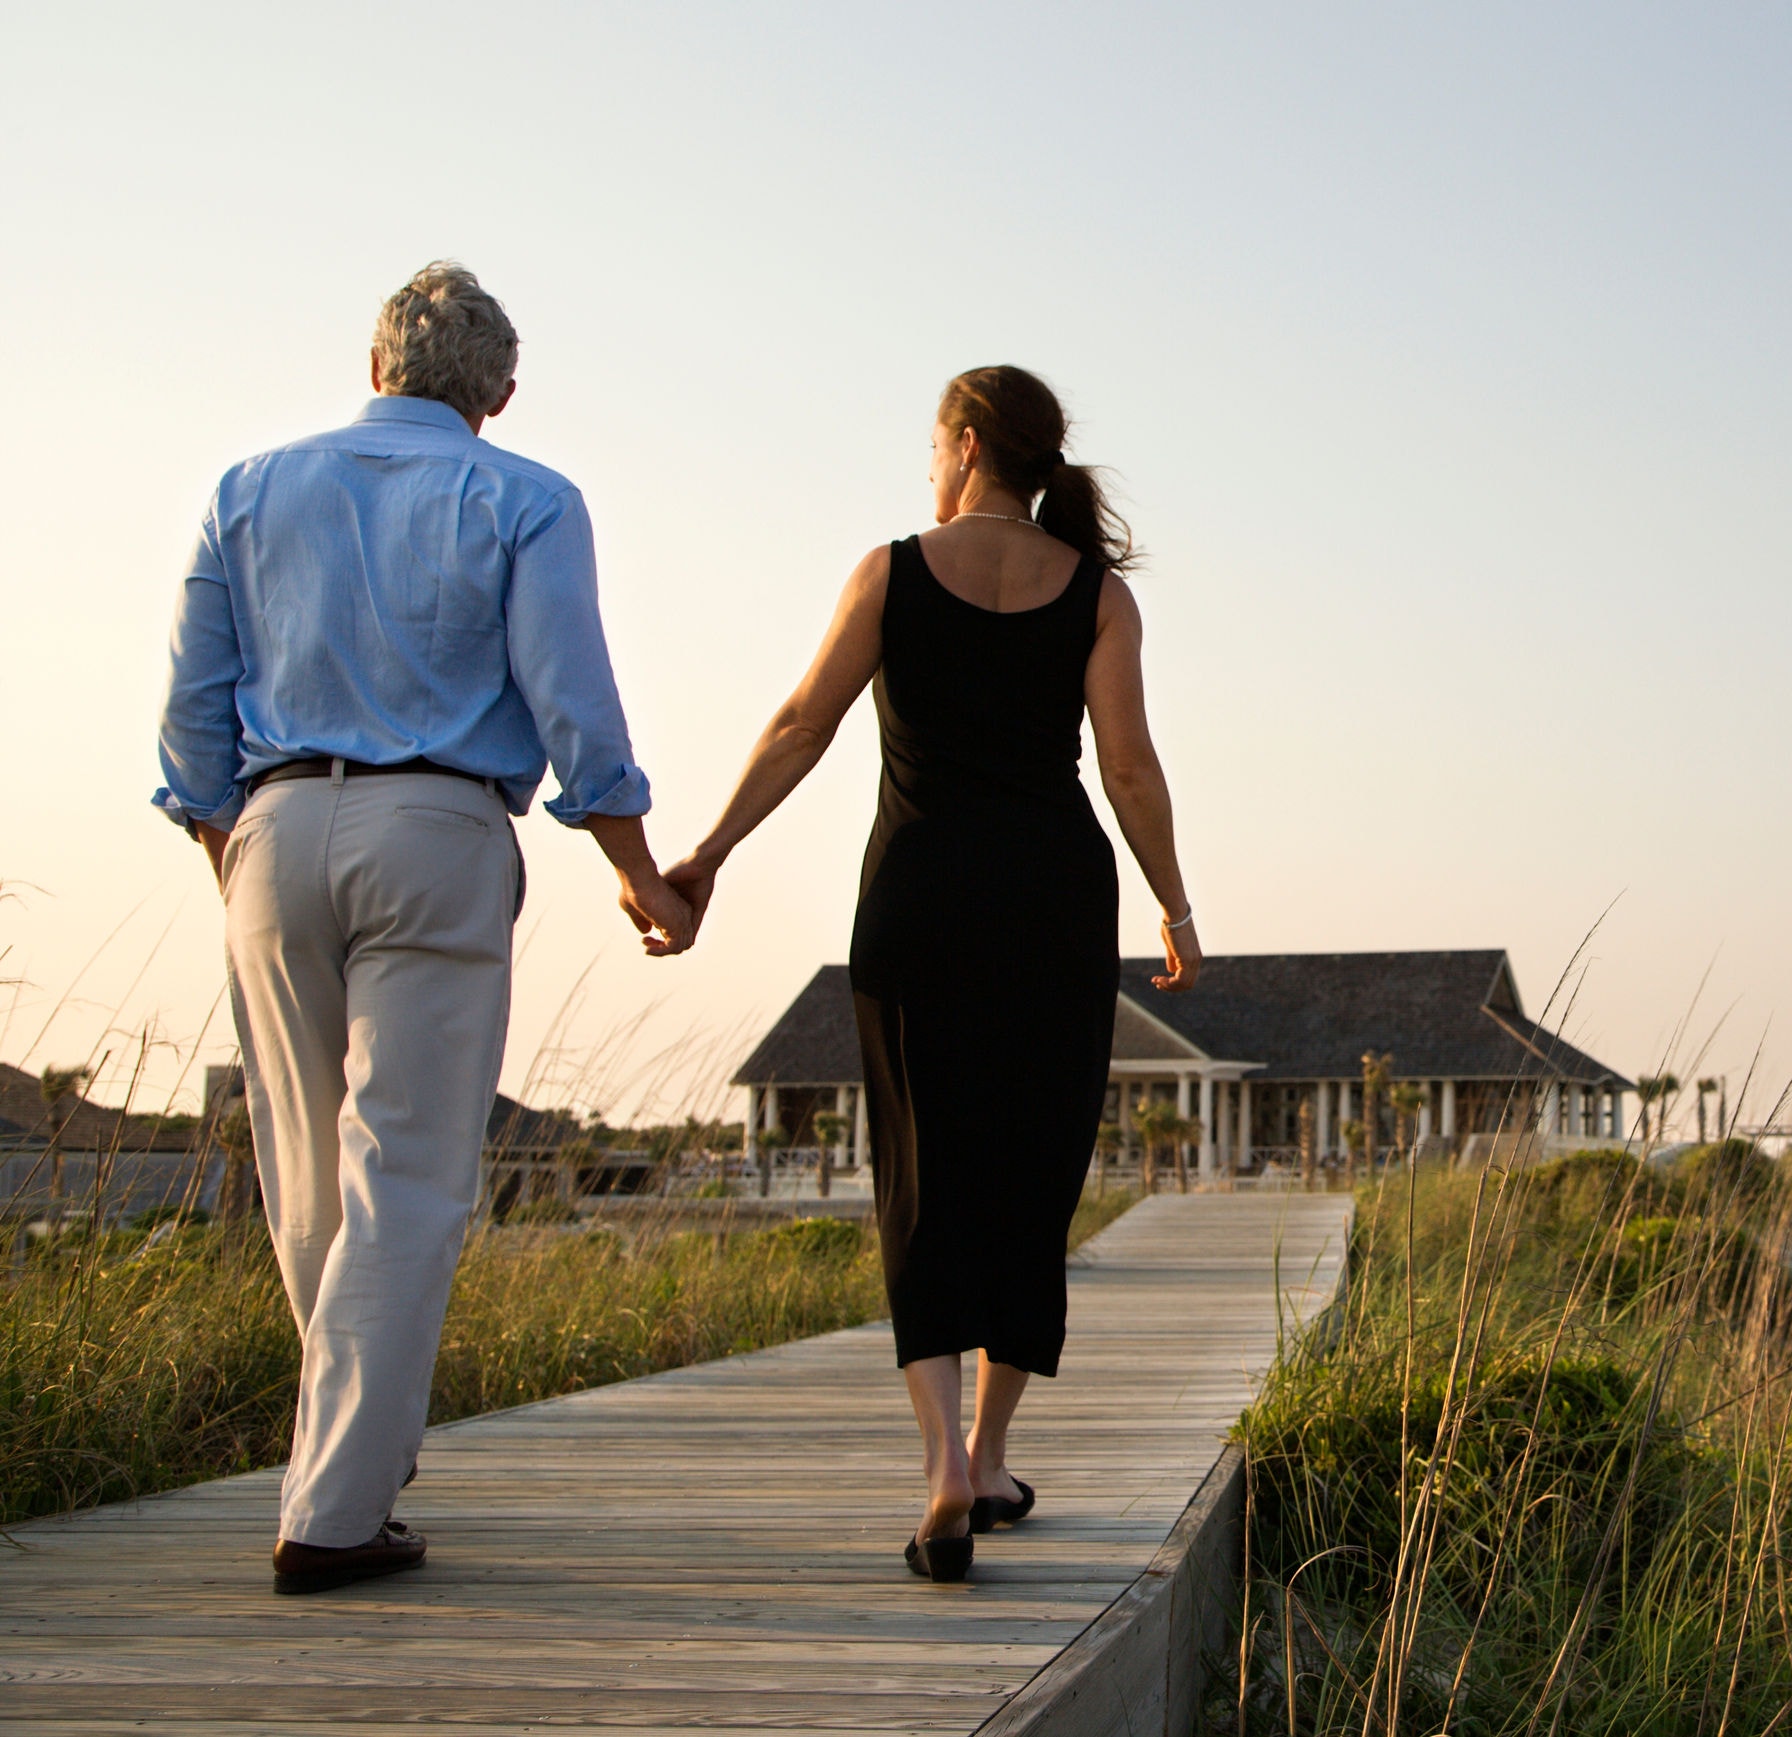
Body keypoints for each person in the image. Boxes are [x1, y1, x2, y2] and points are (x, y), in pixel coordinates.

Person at [153, 262, 695, 1595]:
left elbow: (191, 713)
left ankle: (358, 1457)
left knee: (305, 1167)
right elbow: (574, 703)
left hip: (271, 832)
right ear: (500, 392)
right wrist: (636, 869)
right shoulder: (524, 498)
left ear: (377, 364)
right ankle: (334, 1511)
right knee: (406, 1175)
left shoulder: (247, 488)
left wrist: (235, 850)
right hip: (440, 830)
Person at [664, 365, 1199, 1582]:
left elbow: (803, 723)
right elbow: (1128, 769)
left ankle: (941, 1469)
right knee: (1028, 1169)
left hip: (917, 899)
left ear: (964, 444)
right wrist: (1173, 902)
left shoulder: (891, 569)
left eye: (931, 446)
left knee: (920, 1172)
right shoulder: (1097, 595)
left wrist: (707, 854)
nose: (926, 467)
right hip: (1053, 906)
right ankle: (992, 1448)